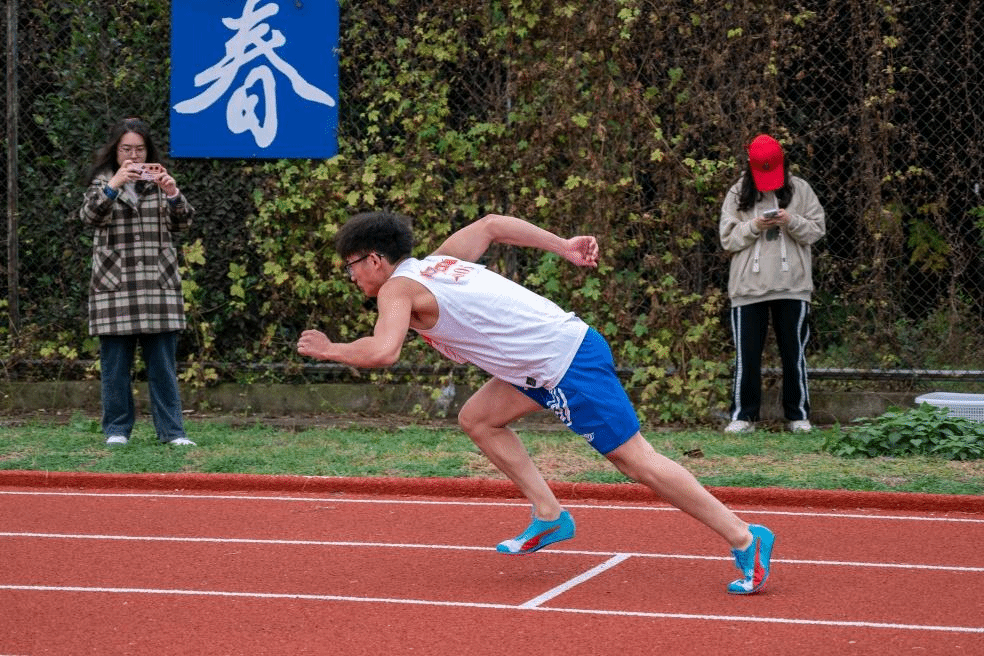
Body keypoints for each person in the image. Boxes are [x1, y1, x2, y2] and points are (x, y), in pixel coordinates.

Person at [297, 211, 775, 595]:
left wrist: (330, 349)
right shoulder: (437, 262)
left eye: (351, 265)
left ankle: (744, 536)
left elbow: (384, 351)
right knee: (479, 419)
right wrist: (563, 245)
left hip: (565, 362)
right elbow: (491, 225)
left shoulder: (398, 288)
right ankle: (549, 515)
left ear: (375, 260)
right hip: (535, 366)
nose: (350, 275)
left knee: (636, 461)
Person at [78, 117, 196, 447]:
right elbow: (89, 216)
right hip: (115, 287)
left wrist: (172, 193)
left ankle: (173, 432)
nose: (134, 156)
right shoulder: (101, 183)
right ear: (115, 151)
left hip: (158, 286)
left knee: (163, 367)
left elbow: (184, 223)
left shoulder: (158, 180)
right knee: (115, 367)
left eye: (140, 149)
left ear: (148, 151)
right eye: (126, 149)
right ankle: (117, 430)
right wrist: (114, 185)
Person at [720, 134, 826, 434]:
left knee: (793, 354)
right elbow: (727, 239)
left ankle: (798, 416)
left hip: (793, 285)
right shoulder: (737, 192)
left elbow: (817, 230)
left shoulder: (801, 189)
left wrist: (791, 221)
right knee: (747, 356)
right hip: (747, 287)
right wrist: (754, 225)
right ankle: (743, 417)